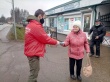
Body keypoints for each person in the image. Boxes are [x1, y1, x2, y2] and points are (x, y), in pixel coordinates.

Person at [24, 9, 59, 82]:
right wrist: (57, 42)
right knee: (33, 73)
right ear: (40, 16)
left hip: (31, 50)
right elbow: (45, 38)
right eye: (44, 17)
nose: (44, 19)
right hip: (32, 52)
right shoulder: (35, 26)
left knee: (35, 70)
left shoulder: (30, 24)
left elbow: (38, 37)